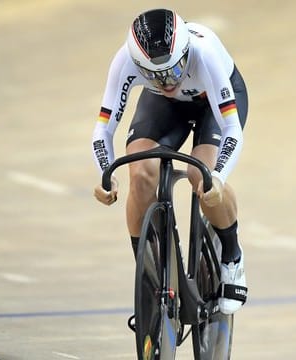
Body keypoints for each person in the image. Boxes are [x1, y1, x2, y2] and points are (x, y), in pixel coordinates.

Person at [92, 8, 248, 315]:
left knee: (200, 175)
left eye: (173, 71)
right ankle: (148, 273)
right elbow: (103, 129)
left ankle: (232, 257)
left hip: (211, 103)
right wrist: (105, 174)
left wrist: (218, 174)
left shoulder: (205, 54)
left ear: (185, 52)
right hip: (165, 107)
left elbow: (231, 127)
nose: (166, 81)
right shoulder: (124, 60)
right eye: (154, 74)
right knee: (141, 173)